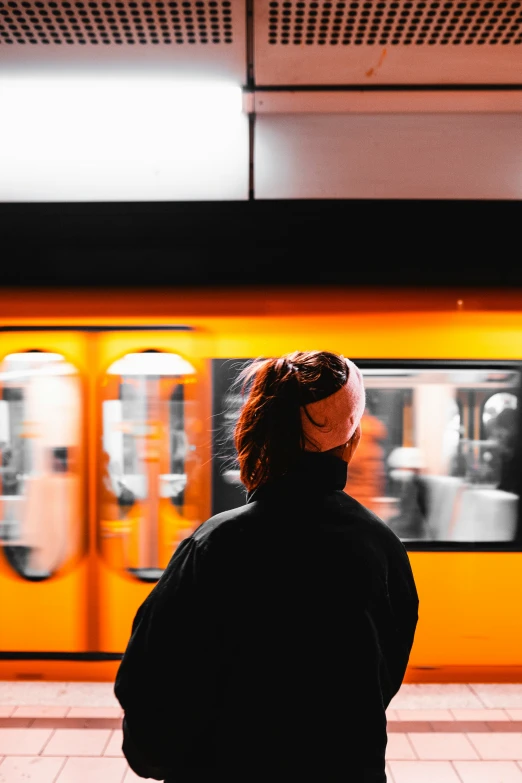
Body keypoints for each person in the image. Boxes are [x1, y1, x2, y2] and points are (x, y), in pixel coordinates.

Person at [114, 351, 419, 783]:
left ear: (258, 431)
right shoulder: (382, 547)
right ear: (350, 442)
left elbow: (155, 691)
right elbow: (380, 680)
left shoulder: (214, 546)